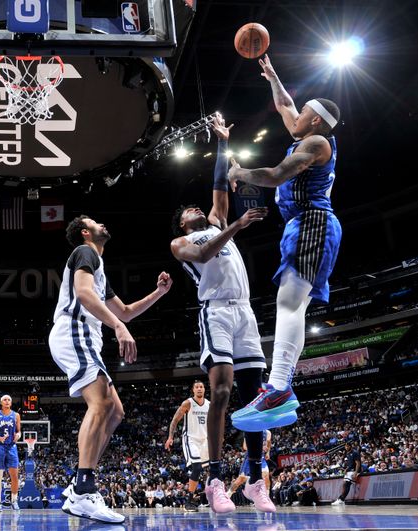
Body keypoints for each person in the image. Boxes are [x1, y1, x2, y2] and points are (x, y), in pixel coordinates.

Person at [169, 114, 280, 513]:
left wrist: (222, 142)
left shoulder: (217, 219)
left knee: (254, 396)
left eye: (199, 207)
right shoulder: (182, 242)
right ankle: (215, 478)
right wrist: (237, 225)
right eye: (189, 211)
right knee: (220, 391)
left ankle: (254, 479)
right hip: (215, 312)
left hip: (245, 312)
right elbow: (204, 253)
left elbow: (219, 185)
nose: (197, 208)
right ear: (184, 223)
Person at [229, 54, 342, 432]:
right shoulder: (307, 133)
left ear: (314, 121)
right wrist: (273, 76)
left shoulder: (317, 144)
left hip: (313, 221)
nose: (294, 117)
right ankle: (281, 389)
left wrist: (240, 172)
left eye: (303, 113)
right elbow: (285, 105)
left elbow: (276, 176)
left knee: (289, 303)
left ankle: (278, 387)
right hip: (304, 225)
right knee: (291, 305)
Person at [49, 215, 171, 523]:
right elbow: (84, 294)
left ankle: (79, 486)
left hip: (86, 336)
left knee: (116, 411)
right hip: (75, 330)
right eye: (96, 222)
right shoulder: (85, 252)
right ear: (86, 232)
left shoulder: (99, 269)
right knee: (101, 404)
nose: (104, 224)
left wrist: (158, 293)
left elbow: (126, 312)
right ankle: (84, 489)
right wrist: (116, 326)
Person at [165, 381, 210, 512]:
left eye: (201, 387)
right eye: (197, 387)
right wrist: (170, 437)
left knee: (212, 467)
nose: (199, 389)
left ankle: (211, 496)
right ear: (193, 390)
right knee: (196, 467)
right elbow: (175, 419)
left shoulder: (209, 405)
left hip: (204, 440)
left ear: (204, 389)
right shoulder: (188, 403)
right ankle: (189, 500)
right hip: (191, 438)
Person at [0, 395, 21, 511]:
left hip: (12, 446)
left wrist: (18, 435)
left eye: (9, 400)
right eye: (5, 400)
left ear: (11, 403)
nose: (7, 401)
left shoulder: (16, 415)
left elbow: (19, 431)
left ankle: (14, 500)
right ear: (1, 402)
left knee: (15, 476)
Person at [228, 430, 273, 497]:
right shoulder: (250, 430)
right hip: (250, 457)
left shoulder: (268, 432)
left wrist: (268, 452)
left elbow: (269, 443)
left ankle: (267, 497)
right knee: (240, 479)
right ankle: (228, 494)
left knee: (266, 476)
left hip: (261, 457)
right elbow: (245, 447)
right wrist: (259, 447)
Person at [332, 441, 361, 505]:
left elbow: (357, 463)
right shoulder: (347, 453)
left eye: (347, 446)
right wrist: (346, 469)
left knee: (346, 484)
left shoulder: (355, 452)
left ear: (350, 446)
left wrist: (356, 472)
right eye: (345, 446)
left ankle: (341, 499)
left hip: (354, 471)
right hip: (349, 470)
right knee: (344, 485)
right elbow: (350, 464)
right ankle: (341, 499)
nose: (346, 447)